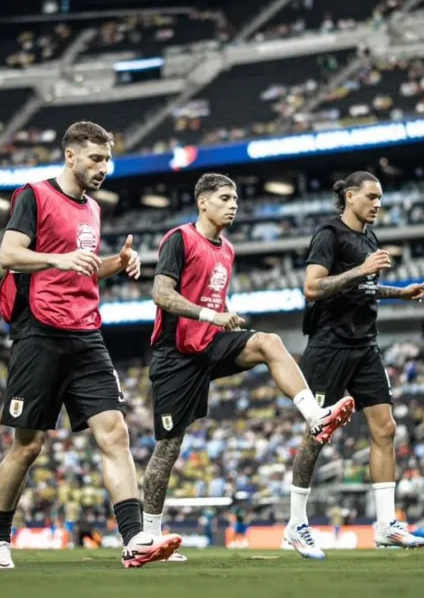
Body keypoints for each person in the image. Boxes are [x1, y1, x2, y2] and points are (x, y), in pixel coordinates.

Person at [0, 121, 177, 570]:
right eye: (95, 158)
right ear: (70, 156)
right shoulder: (34, 195)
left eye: (107, 159)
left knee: (115, 432)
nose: (104, 167)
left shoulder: (92, 208)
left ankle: (134, 539)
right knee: (28, 446)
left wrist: (118, 262)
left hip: (87, 333)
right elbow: (8, 255)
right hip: (39, 332)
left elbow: (83, 268)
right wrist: (58, 258)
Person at [141, 173, 356, 563]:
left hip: (210, 343)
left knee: (268, 342)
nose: (233, 205)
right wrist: (212, 315)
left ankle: (316, 416)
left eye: (236, 198)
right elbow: (161, 293)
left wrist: (224, 317)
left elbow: (212, 298)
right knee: (169, 447)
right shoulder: (180, 239)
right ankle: (149, 538)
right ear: (203, 202)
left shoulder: (227, 249)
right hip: (176, 354)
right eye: (225, 198)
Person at [285, 171, 424, 558]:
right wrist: (361, 270)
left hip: (365, 344)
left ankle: (386, 525)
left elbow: (364, 287)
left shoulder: (369, 238)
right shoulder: (329, 235)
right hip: (329, 344)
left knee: (386, 428)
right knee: (317, 433)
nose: (378, 204)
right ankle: (296, 523)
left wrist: (399, 292)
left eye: (380, 198)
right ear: (350, 196)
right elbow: (312, 288)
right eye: (371, 197)